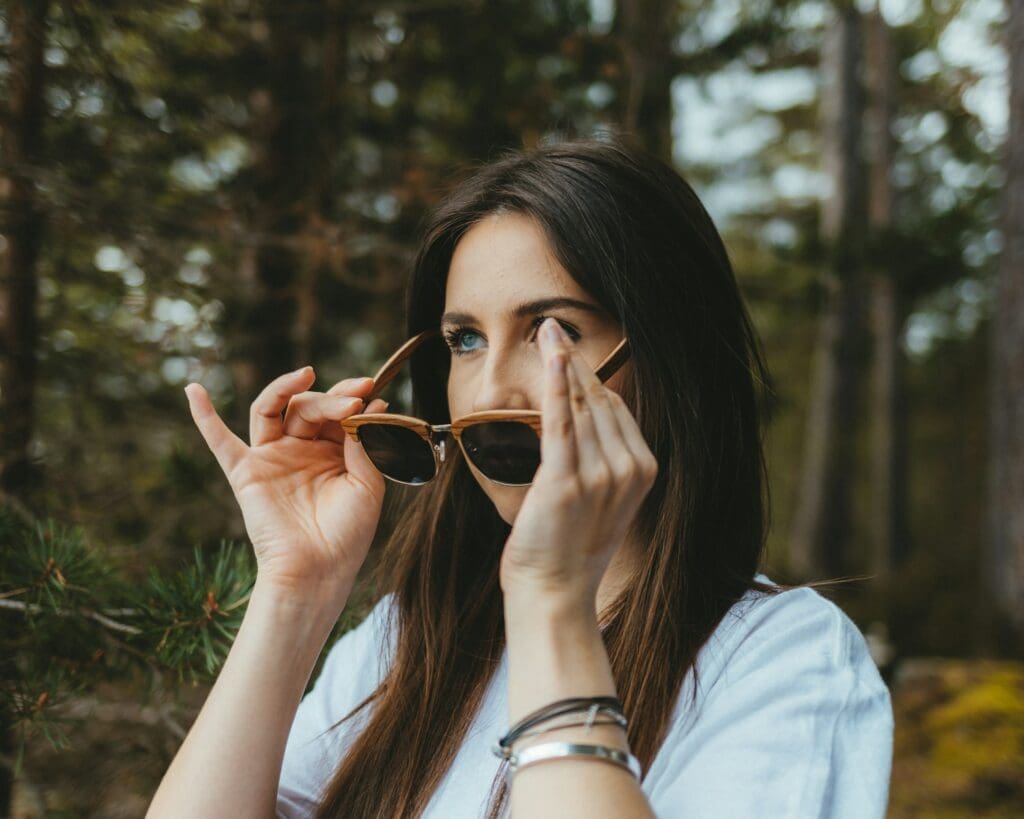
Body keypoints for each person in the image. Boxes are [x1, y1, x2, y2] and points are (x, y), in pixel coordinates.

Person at [147, 138, 893, 818]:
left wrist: (551, 598)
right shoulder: (406, 641)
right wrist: (294, 590)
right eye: (464, 339)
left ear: (669, 358)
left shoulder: (783, 659)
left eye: (554, 330)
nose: (488, 389)